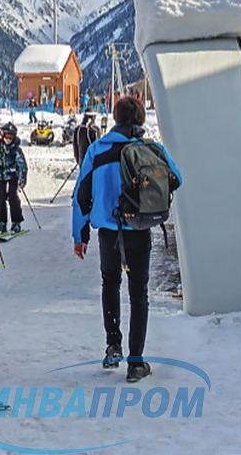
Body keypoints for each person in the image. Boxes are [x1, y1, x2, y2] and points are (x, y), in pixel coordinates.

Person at [72, 97, 182, 383]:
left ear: (115, 117)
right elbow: (176, 178)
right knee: (139, 294)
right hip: (139, 228)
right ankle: (136, 364)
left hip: (108, 232)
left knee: (110, 282)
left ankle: (113, 345)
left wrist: (79, 235)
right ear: (141, 119)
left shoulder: (98, 149)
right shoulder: (151, 148)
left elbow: (81, 196)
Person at [0, 122, 28, 234]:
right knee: (1, 198)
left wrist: (22, 179)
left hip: (12, 175)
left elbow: (22, 165)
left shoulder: (16, 149)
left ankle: (16, 222)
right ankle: (1, 223)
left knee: (13, 197)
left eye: (11, 137)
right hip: (1, 175)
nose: (8, 140)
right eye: (6, 137)